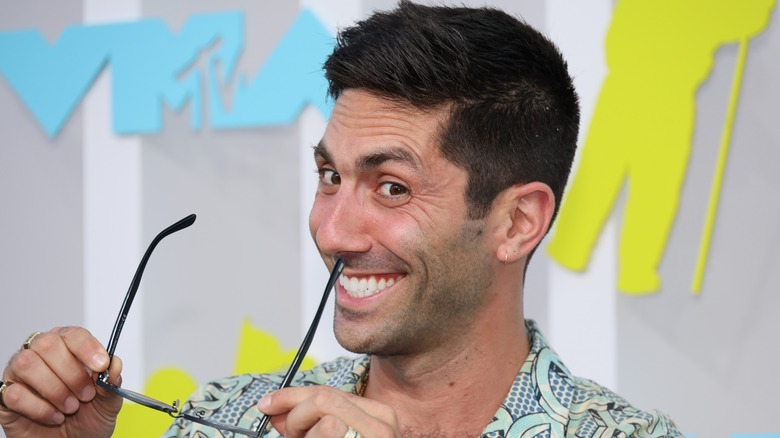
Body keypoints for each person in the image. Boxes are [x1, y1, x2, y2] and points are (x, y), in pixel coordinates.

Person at [0, 1, 682, 437]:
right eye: (330, 176)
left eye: (390, 187)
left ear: (516, 222)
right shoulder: (226, 421)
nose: (332, 233)